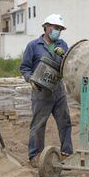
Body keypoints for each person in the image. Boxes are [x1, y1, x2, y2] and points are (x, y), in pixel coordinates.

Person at [19, 14, 73, 169]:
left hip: (58, 91)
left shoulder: (62, 44)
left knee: (65, 123)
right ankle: (35, 156)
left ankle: (67, 153)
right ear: (47, 27)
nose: (58, 31)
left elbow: (68, 64)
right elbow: (25, 67)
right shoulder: (34, 46)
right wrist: (31, 79)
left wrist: (64, 55)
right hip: (41, 91)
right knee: (38, 124)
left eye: (60, 29)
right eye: (56, 28)